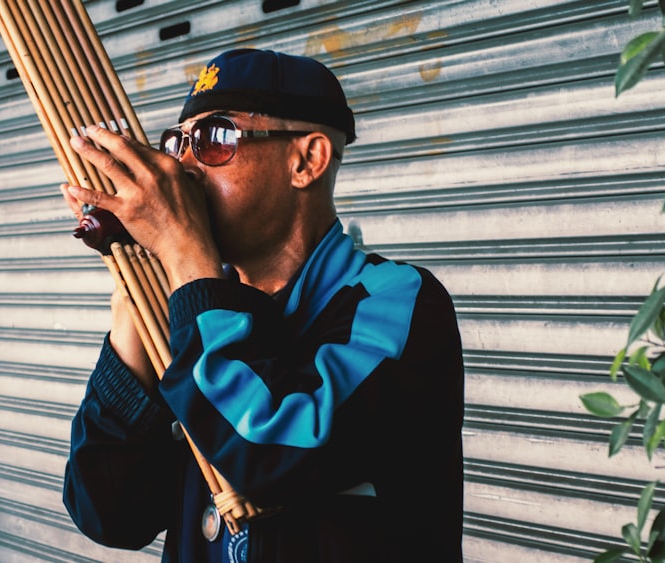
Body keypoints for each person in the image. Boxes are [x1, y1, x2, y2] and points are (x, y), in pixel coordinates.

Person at [60, 48, 464, 562]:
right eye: (178, 143)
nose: (180, 169)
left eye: (214, 139)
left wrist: (184, 254)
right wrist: (133, 289)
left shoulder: (398, 301)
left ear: (306, 161)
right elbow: (108, 512)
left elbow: (271, 452)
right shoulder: (193, 304)